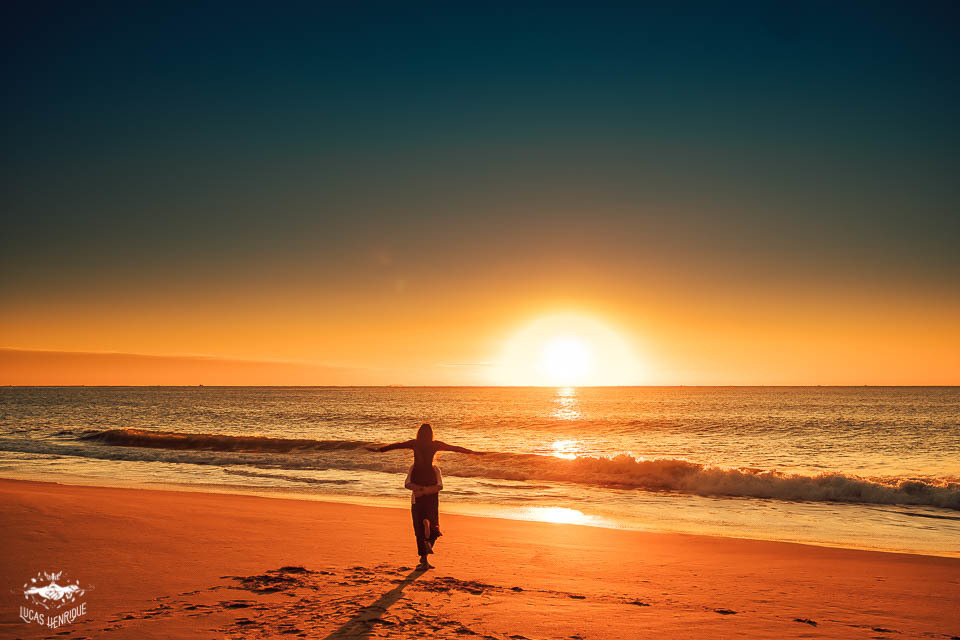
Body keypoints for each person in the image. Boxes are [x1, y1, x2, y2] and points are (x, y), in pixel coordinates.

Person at [368, 423, 483, 569]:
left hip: (417, 478)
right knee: (434, 522)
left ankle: (424, 557)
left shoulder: (414, 443)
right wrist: (472, 452)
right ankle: (428, 527)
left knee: (418, 526)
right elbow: (453, 448)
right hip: (430, 479)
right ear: (431, 434)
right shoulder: (435, 445)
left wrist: (379, 450)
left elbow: (397, 445)